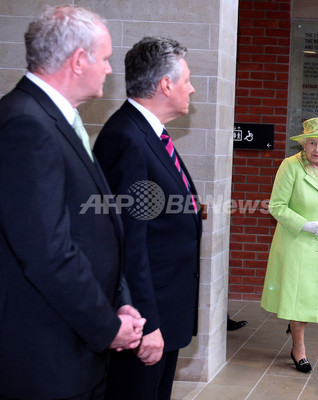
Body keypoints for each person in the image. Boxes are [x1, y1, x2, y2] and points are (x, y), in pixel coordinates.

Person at [0, 5, 145, 400]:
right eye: (106, 58)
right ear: (79, 60)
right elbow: (47, 251)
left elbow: (94, 235)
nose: (110, 70)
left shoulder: (55, 121)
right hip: (46, 358)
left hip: (76, 345)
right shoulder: (26, 125)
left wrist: (121, 305)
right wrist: (106, 325)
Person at [93, 36, 202, 400]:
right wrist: (148, 324)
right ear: (165, 84)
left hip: (166, 312)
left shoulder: (152, 134)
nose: (193, 88)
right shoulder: (126, 138)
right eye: (186, 79)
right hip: (145, 321)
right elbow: (128, 242)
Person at [261, 116, 318, 373]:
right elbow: (276, 206)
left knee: (311, 299)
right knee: (300, 300)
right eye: (312, 144)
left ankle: (296, 328)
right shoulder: (290, 166)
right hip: (296, 241)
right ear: (304, 144)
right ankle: (298, 348)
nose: (317, 150)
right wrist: (306, 225)